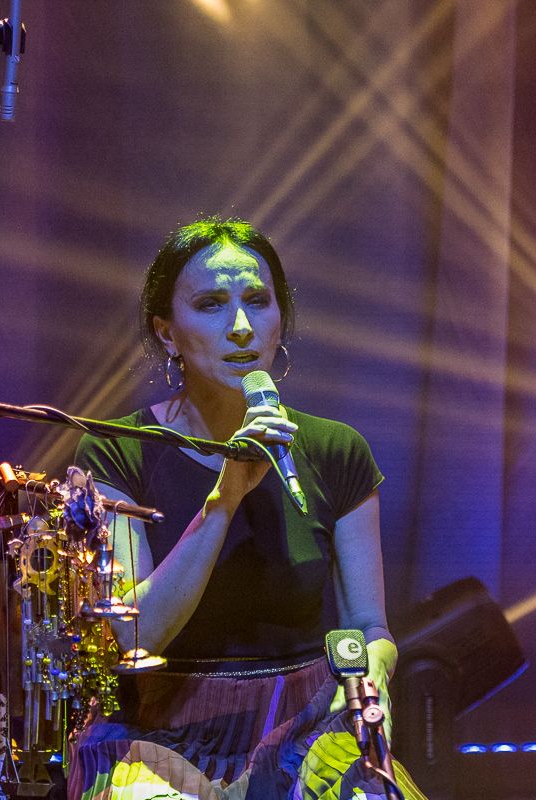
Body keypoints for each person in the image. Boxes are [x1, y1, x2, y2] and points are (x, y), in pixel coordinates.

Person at [67, 217, 424, 800]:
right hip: (157, 727)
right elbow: (136, 634)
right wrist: (226, 494)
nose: (240, 327)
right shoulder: (117, 451)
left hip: (305, 725)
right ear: (166, 333)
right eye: (211, 304)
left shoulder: (336, 450)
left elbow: (369, 626)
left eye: (257, 301)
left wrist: (374, 670)